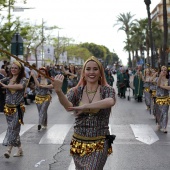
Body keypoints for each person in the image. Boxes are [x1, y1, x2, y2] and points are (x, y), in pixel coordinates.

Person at [53, 56, 116, 170]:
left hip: (99, 143)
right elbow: (68, 107)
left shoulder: (107, 90)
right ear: (83, 72)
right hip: (78, 142)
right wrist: (58, 91)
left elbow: (110, 101)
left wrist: (86, 106)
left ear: (100, 72)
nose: (91, 72)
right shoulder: (75, 91)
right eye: (88, 69)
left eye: (95, 69)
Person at [0, 61, 27, 158]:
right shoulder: (7, 79)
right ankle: (20, 149)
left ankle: (9, 150)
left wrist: (7, 86)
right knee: (14, 129)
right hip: (8, 108)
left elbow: (20, 86)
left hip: (18, 108)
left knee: (12, 128)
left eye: (16, 68)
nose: (13, 69)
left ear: (20, 70)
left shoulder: (23, 80)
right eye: (12, 68)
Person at [155, 66, 170, 133]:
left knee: (165, 113)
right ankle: (159, 123)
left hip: (166, 98)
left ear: (167, 72)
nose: (163, 71)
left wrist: (162, 86)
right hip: (159, 98)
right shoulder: (157, 79)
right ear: (160, 71)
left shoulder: (168, 80)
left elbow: (169, 87)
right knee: (159, 113)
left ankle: (164, 127)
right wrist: (160, 76)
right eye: (162, 70)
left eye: (165, 70)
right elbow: (158, 84)